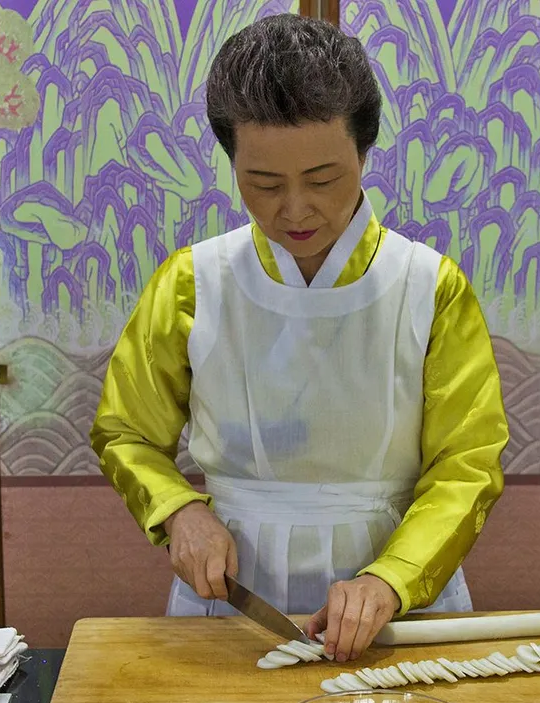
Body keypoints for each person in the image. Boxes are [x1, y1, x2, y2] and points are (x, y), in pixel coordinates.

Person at [91, 14, 507, 662]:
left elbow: (468, 464)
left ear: (365, 155)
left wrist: (391, 578)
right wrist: (178, 512)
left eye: (322, 179)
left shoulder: (431, 288)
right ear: (232, 162)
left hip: (399, 601)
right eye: (263, 183)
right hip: (230, 597)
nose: (294, 209)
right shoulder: (191, 284)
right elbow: (126, 432)